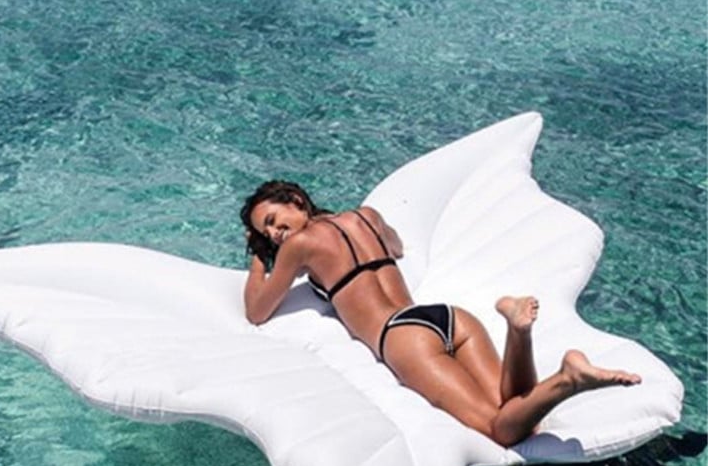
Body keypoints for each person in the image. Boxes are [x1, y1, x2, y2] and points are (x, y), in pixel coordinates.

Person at [240, 180, 640, 447]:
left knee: (498, 431)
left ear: (297, 201)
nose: (274, 234)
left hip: (401, 337)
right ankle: (518, 331)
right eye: (265, 233)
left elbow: (258, 311)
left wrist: (259, 257)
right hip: (446, 317)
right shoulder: (365, 216)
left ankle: (569, 379)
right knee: (520, 415)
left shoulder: (299, 247)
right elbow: (396, 248)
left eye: (273, 221)